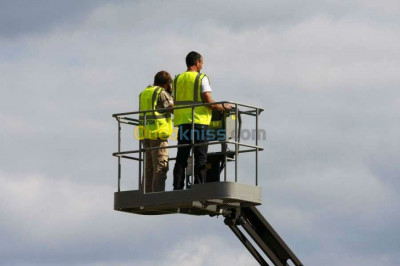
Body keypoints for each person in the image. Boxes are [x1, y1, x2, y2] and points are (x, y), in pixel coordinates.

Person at [172, 51, 231, 190]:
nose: (202, 66)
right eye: (201, 63)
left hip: (183, 123)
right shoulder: (201, 78)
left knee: (182, 157)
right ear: (197, 62)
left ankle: (177, 187)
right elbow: (208, 102)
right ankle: (199, 188)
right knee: (200, 158)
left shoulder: (177, 79)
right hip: (199, 124)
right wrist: (223, 106)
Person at [138, 71, 174, 192]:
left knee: (149, 169)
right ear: (166, 84)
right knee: (160, 167)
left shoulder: (144, 92)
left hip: (146, 134)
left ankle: (146, 194)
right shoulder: (161, 93)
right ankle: (157, 195)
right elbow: (173, 108)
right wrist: (172, 94)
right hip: (158, 135)